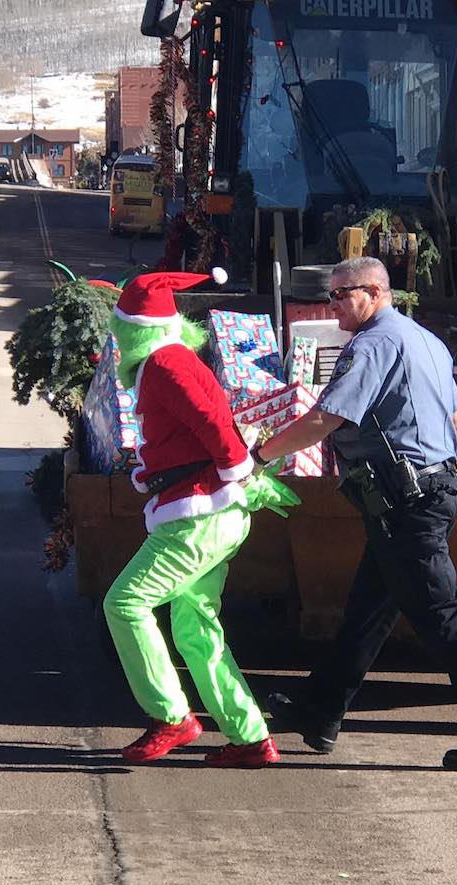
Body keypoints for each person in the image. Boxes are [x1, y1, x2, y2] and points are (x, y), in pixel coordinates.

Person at [256, 257, 457, 772]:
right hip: (427, 492)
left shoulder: (373, 344)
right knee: (369, 608)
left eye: (342, 294)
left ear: (376, 293)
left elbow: (327, 416)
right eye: (331, 293)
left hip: (407, 502)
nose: (332, 303)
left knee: (444, 618)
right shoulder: (425, 340)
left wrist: (259, 458)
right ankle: (320, 713)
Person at [99, 270, 295, 768]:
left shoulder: (166, 363)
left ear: (137, 328)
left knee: (125, 603)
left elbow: (213, 423)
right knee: (195, 628)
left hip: (199, 513)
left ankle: (172, 716)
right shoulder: (167, 362)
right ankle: (250, 736)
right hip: (204, 510)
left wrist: (235, 471)